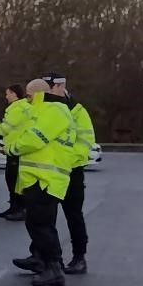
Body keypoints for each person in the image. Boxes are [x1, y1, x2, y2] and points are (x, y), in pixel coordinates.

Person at [5, 78, 80, 286]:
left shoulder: (53, 111)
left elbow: (35, 138)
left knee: (40, 224)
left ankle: (53, 268)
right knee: (38, 223)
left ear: (37, 95)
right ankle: (46, 263)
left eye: (28, 96)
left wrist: (13, 149)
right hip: (41, 178)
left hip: (46, 179)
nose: (26, 101)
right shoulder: (47, 111)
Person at [47, 72, 94, 275]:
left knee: (73, 215)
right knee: (44, 216)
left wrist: (67, 161)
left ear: (60, 86)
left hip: (71, 171)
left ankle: (79, 257)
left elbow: (85, 141)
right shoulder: (49, 108)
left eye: (49, 88)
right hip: (50, 170)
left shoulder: (77, 111)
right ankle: (47, 257)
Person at [0, 83, 28, 220]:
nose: (6, 96)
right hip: (17, 150)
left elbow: (5, 129)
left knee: (13, 181)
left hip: (16, 151)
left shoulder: (16, 109)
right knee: (14, 181)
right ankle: (14, 208)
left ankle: (19, 209)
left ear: (14, 94)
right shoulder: (25, 107)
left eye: (8, 93)